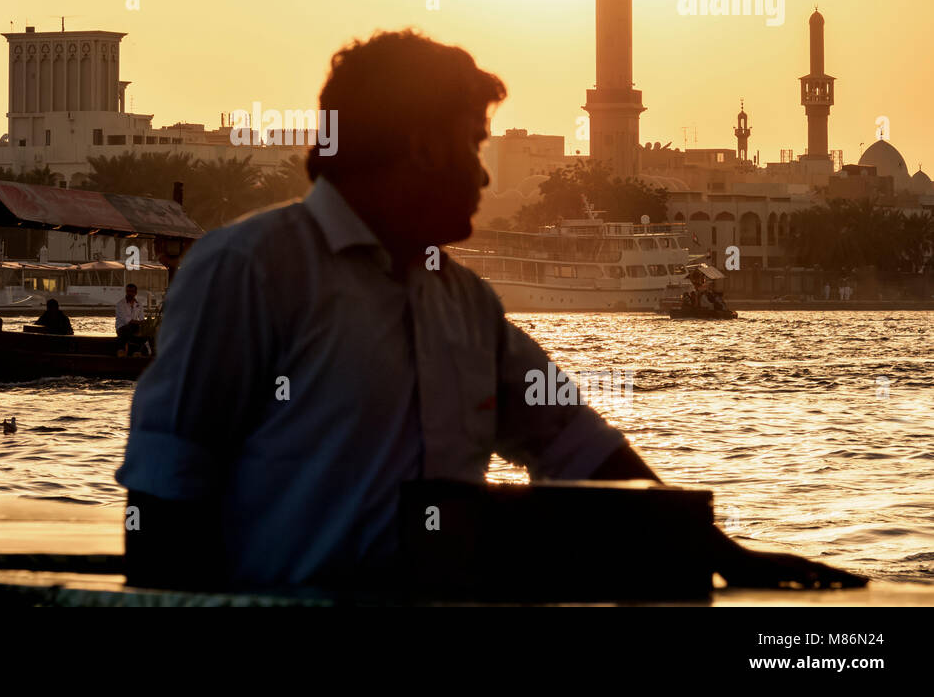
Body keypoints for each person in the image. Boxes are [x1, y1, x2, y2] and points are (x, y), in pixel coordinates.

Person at [116, 30, 865, 594]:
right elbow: (166, 497)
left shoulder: (460, 303)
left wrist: (723, 555)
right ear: (418, 146)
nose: (482, 172)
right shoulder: (250, 270)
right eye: (471, 144)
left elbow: (576, 447)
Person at [115, 283, 149, 356]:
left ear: (135, 293)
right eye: (128, 291)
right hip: (121, 328)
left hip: (134, 329)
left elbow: (142, 318)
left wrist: (146, 324)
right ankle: (136, 351)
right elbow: (126, 320)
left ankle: (124, 350)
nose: (129, 293)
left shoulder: (139, 304)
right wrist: (140, 323)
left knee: (143, 330)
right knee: (134, 327)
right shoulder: (120, 304)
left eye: (131, 291)